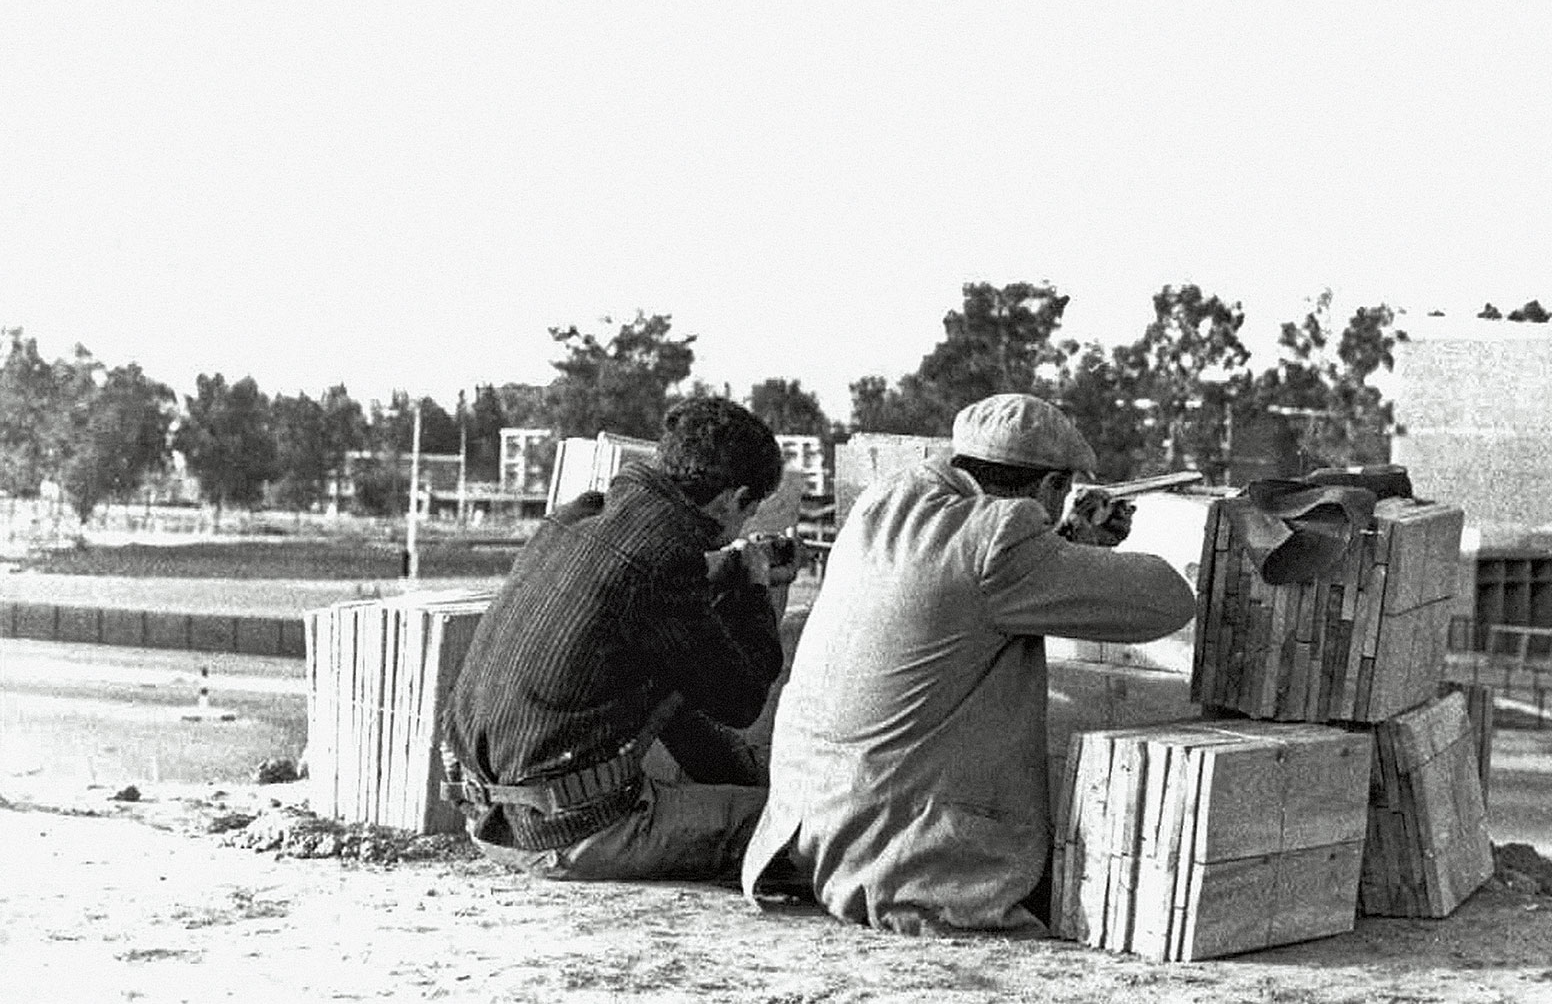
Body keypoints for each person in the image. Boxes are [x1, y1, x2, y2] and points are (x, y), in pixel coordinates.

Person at [740, 392, 1197, 935]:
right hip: (905, 863)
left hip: (808, 832)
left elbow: (958, 591)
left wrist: (1063, 542)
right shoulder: (1001, 540)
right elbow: (1168, 601)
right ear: (1052, 487)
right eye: (1062, 488)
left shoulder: (884, 505)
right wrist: (1083, 551)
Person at [446, 396, 793, 882]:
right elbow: (740, 699)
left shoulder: (577, 517)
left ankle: (728, 786)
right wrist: (754, 587)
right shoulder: (665, 566)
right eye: (748, 512)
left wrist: (716, 571)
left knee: (667, 672)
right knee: (791, 831)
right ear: (735, 499)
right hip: (565, 831)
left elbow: (633, 601)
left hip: (487, 812)